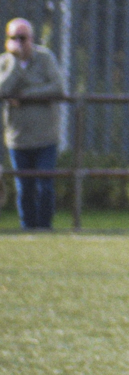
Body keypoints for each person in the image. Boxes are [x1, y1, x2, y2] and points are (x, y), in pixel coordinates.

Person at [1, 18, 70, 230]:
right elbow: (3, 90)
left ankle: (44, 227)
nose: (19, 42)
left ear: (32, 38)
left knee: (45, 186)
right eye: (14, 38)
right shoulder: (4, 62)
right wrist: (15, 63)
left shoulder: (44, 58)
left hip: (45, 137)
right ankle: (28, 228)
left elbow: (58, 87)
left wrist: (25, 95)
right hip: (18, 138)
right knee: (24, 189)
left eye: (23, 38)